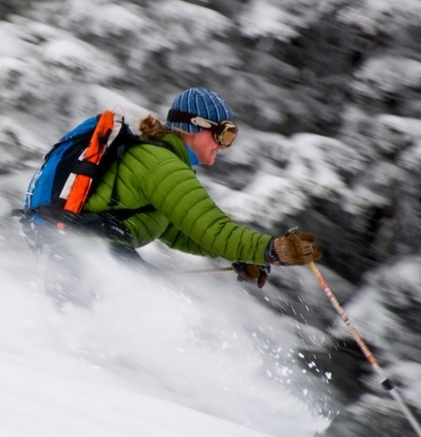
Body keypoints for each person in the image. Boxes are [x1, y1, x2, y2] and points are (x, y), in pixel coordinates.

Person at [34, 87, 321, 294]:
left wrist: (246, 255)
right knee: (171, 305)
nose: (224, 145)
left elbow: (182, 232)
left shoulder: (158, 162)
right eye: (223, 134)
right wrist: (271, 249)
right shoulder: (162, 166)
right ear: (194, 127)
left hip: (74, 250)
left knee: (165, 303)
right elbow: (211, 227)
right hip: (83, 251)